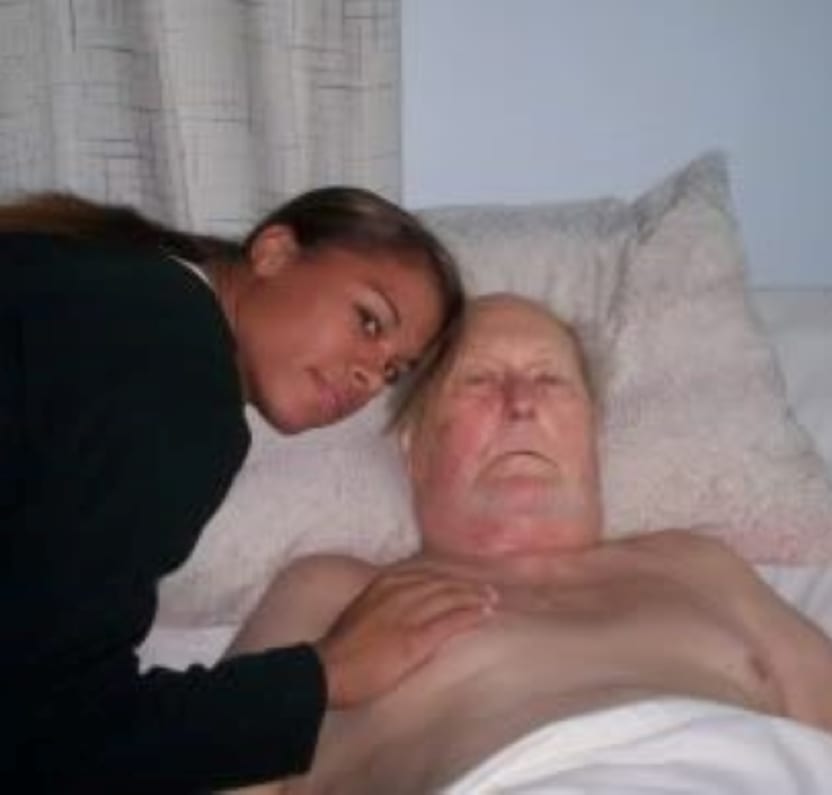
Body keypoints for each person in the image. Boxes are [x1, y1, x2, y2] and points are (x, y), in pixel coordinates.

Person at [225, 293, 832, 795]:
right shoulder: (334, 592)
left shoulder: (701, 568)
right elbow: (209, 764)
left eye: (550, 380)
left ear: (593, 436)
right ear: (414, 446)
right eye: (479, 381)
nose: (521, 402)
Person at [1, 190, 498, 791]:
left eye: (394, 371)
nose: (370, 376)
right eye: (369, 321)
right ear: (274, 252)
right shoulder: (181, 383)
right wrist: (327, 674)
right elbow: (49, 734)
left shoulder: (107, 279)